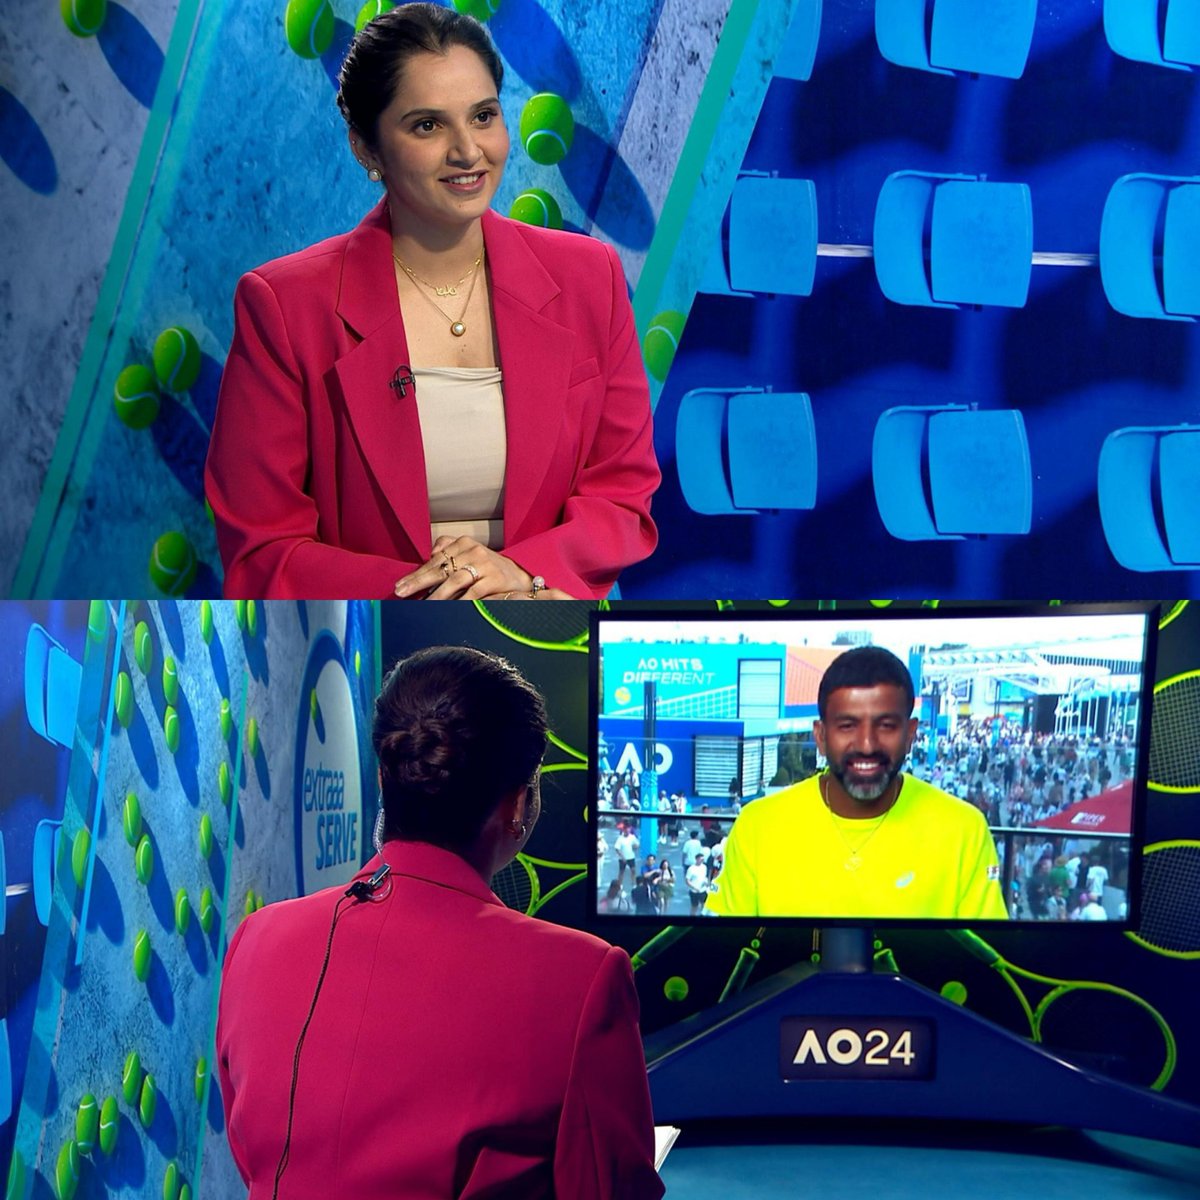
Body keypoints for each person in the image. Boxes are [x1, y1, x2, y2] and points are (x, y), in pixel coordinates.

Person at [205, 3, 659, 600]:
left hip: (547, 609)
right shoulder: (284, 308)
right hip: (387, 625)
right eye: (427, 126)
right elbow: (264, 554)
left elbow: (622, 497)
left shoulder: (588, 277)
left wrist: (521, 571)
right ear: (367, 149)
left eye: (483, 116)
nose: (468, 151)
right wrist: (445, 587)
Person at [217, 646, 662, 1198]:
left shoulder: (256, 937)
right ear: (518, 806)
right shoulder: (585, 977)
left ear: (383, 779)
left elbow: (257, 1157)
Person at [705, 645, 1009, 920]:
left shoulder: (963, 829)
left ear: (911, 733)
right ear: (821, 736)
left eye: (886, 725)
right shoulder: (758, 825)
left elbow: (988, 965)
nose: (866, 744)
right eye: (847, 726)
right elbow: (727, 957)